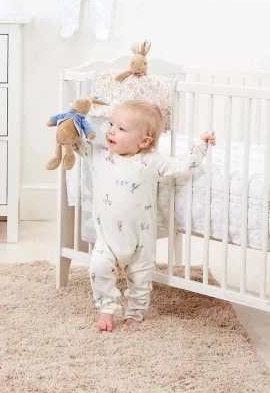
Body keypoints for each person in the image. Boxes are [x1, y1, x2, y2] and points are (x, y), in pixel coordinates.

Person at [74, 99, 216, 332]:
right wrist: (70, 127)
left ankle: (135, 313)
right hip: (108, 239)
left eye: (121, 129)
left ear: (144, 141)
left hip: (141, 241)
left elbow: (183, 166)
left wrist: (201, 144)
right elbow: (76, 143)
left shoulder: (151, 160)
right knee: (98, 268)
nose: (110, 130)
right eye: (111, 124)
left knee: (141, 280)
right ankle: (107, 307)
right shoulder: (99, 154)